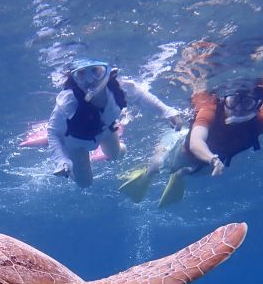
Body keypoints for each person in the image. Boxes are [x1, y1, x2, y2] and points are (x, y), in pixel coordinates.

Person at [119, 17, 263, 205]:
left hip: (213, 162)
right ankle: (151, 167)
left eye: (246, 103)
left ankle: (182, 174)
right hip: (185, 148)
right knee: (157, 166)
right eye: (233, 101)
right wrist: (211, 158)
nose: (239, 109)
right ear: (224, 99)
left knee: (192, 171)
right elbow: (196, 143)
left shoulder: (259, 118)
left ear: (257, 104)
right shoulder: (209, 108)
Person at [48, 58, 183, 188]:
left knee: (116, 155)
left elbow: (143, 97)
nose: (90, 80)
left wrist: (168, 112)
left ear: (107, 72)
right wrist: (61, 160)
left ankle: (112, 149)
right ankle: (75, 163)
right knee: (85, 184)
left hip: (106, 131)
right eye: (81, 74)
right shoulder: (68, 101)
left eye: (95, 71)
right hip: (76, 143)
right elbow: (53, 132)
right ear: (74, 78)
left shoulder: (120, 88)